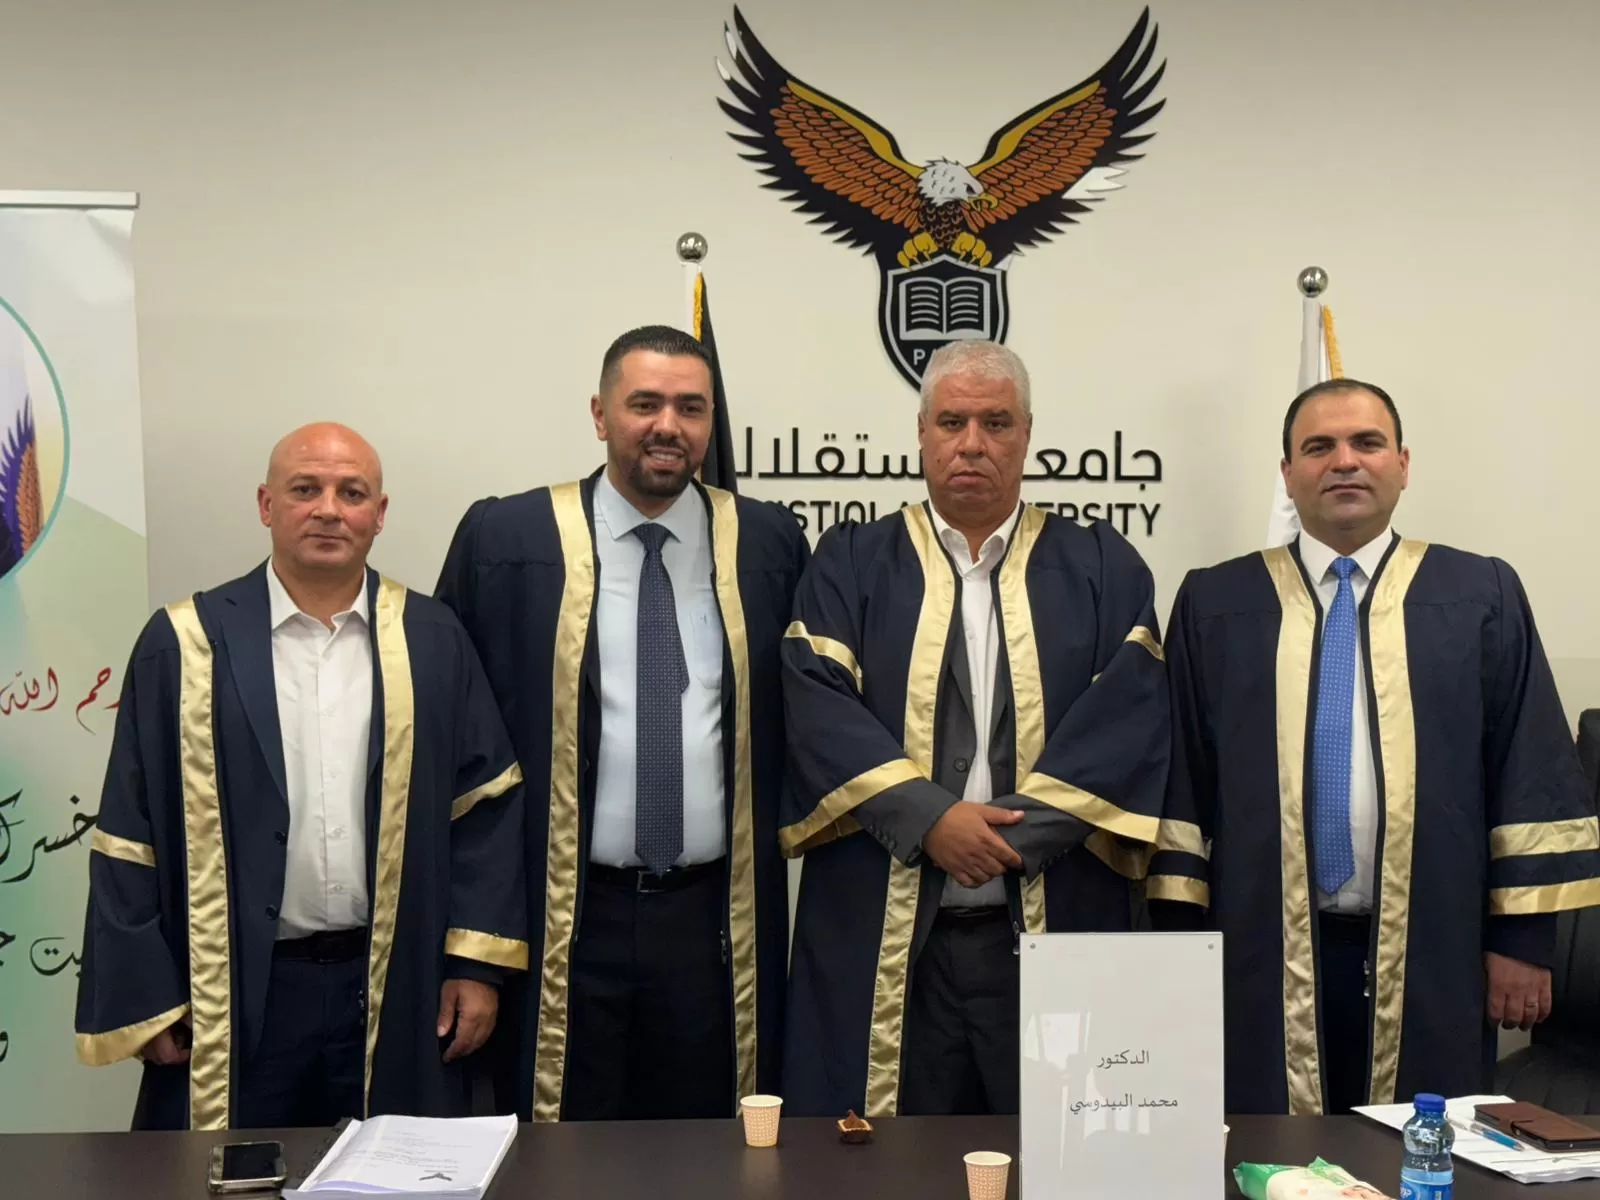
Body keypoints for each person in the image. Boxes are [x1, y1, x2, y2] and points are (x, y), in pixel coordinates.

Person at [1154, 379, 1600, 1115]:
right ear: (1288, 472)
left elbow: (1529, 769)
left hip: (1437, 943)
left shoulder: (1480, 594)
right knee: (1267, 1144)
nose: (1344, 461)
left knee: (1418, 1146)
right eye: (1318, 447)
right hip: (1258, 946)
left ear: (1403, 463)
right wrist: (1178, 947)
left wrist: (1523, 941)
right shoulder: (1216, 602)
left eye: (1366, 443)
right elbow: (1182, 787)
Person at [74, 423, 528, 1131]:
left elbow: (485, 809)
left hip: (393, 982)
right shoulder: (185, 644)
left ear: (379, 513)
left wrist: (475, 965)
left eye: (352, 493)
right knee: (231, 1172)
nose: (328, 510)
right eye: (305, 489)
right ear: (266, 504)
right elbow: (130, 829)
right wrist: (147, 995)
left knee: (387, 1169)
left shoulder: (432, 639)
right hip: (237, 991)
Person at [779, 340, 1170, 1118]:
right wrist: (931, 821)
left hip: (1053, 925)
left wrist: (1002, 840)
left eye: (996, 423)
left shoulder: (1102, 566)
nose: (972, 444)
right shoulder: (851, 561)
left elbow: (1127, 723)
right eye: (952, 422)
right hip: (888, 933)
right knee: (880, 1159)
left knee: (1057, 1148)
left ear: (1027, 435)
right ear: (921, 432)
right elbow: (818, 707)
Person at [435, 325, 808, 1122]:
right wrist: (470, 940)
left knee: (707, 1151)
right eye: (645, 404)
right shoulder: (509, 541)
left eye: (690, 408)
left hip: (712, 923)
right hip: (562, 916)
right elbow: (453, 751)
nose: (668, 425)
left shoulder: (767, 543)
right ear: (600, 414)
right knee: (560, 1150)